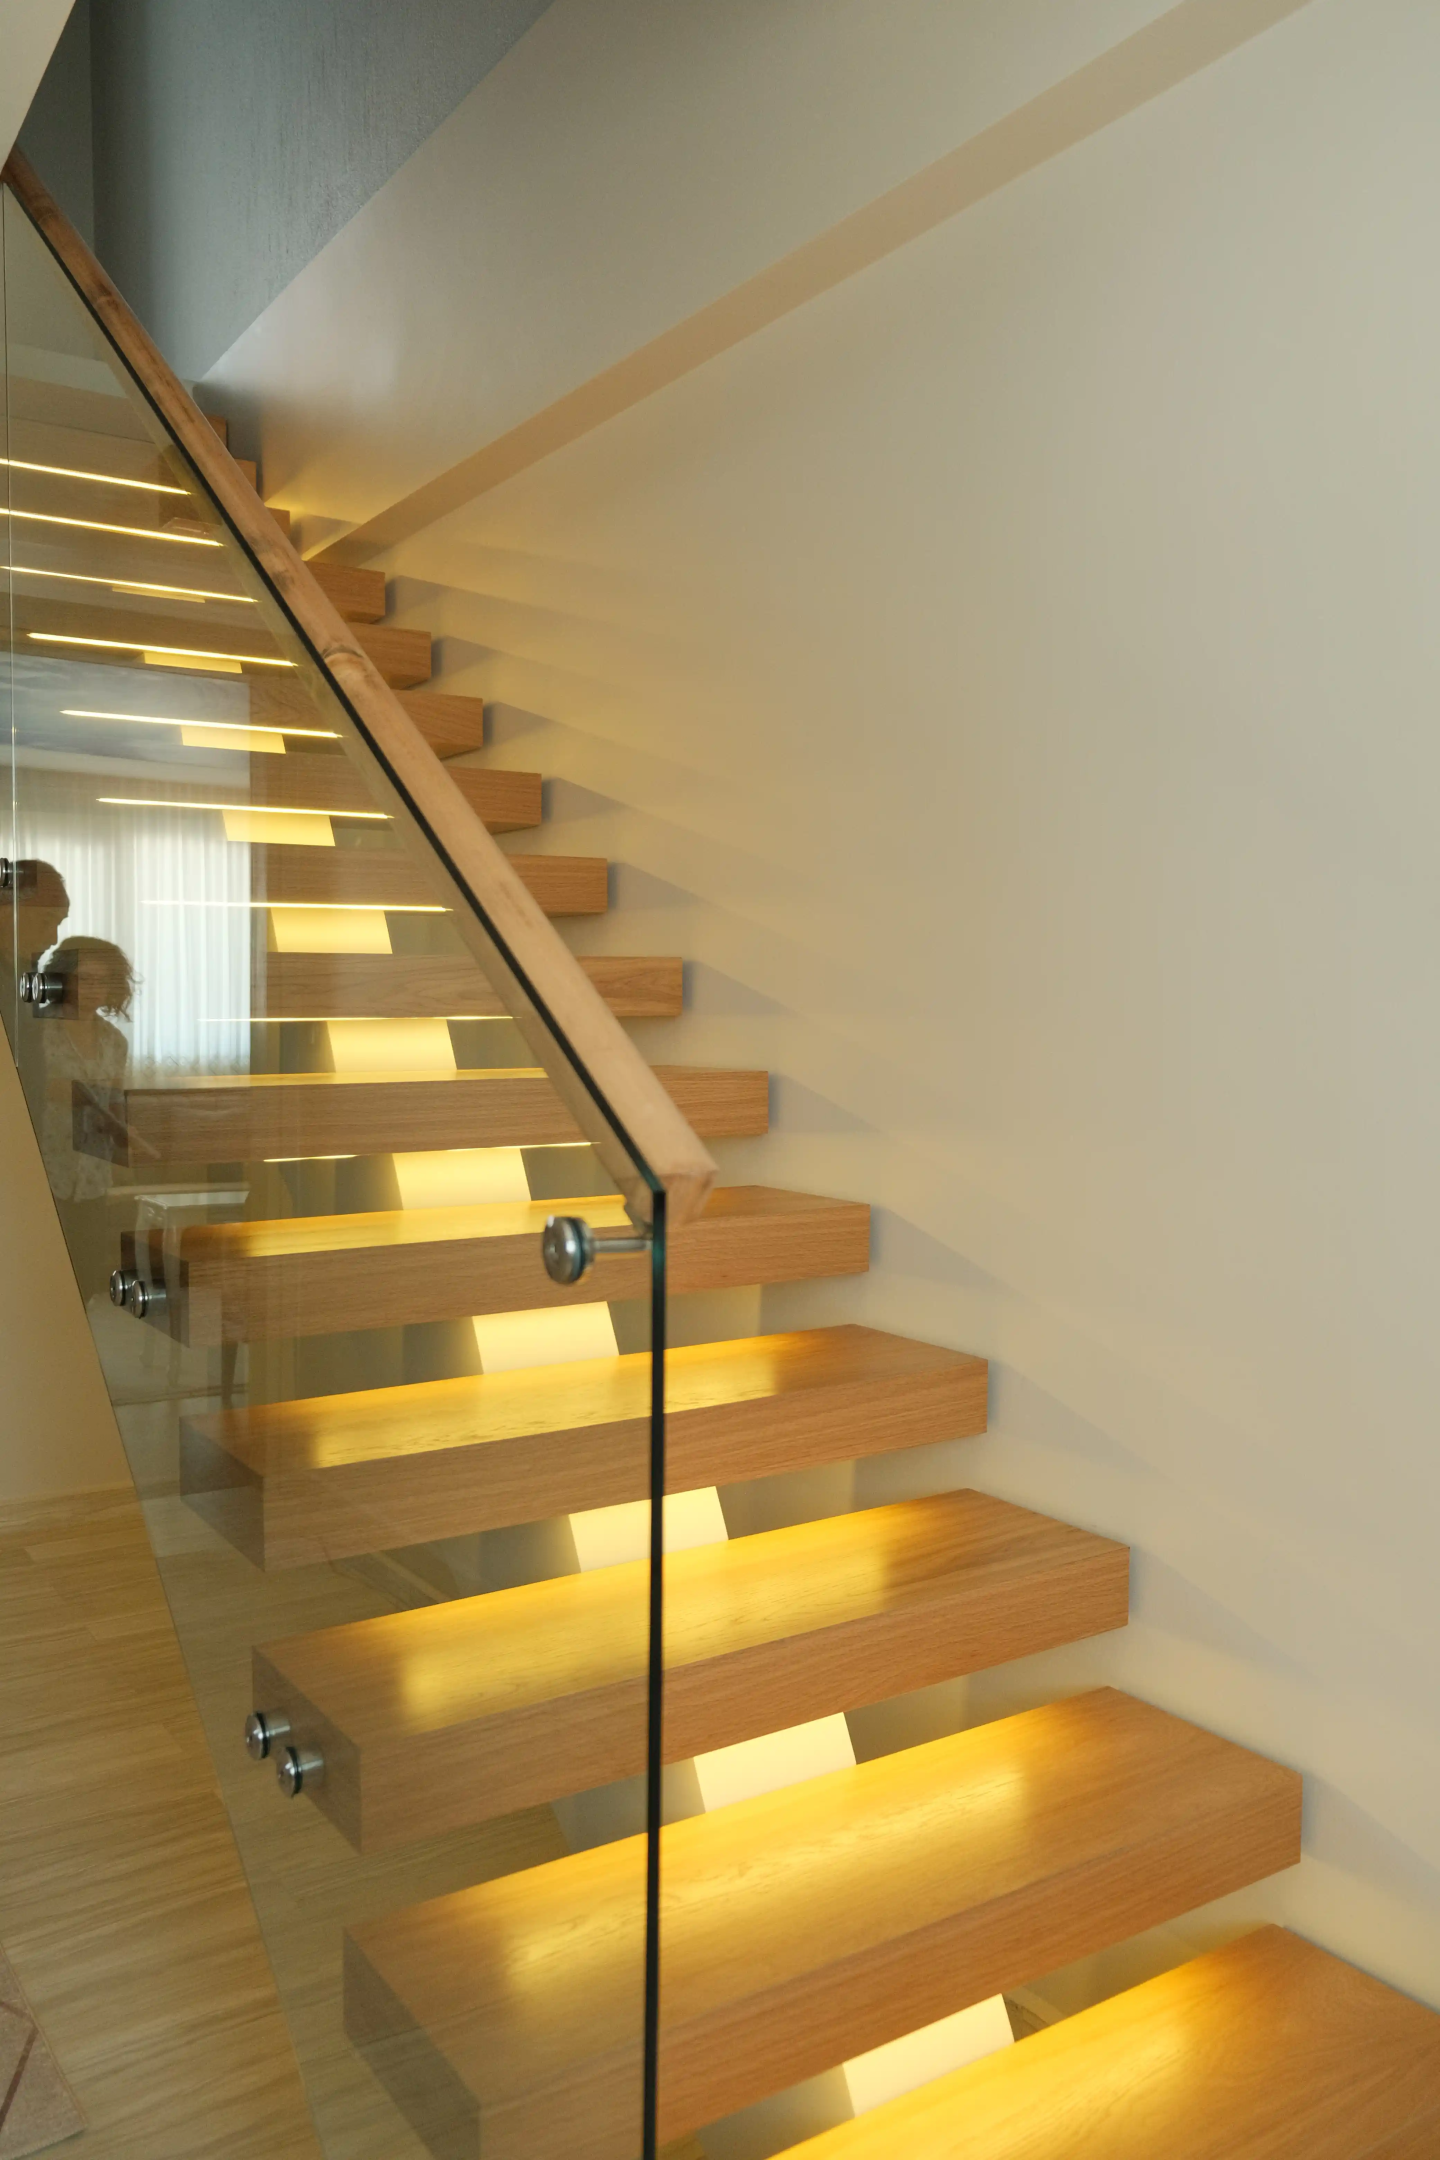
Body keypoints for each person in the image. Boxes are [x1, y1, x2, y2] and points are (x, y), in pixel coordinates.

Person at [37, 937, 137, 1305]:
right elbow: (37, 1090)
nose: (94, 988)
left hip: (93, 1172)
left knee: (87, 1274)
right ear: (63, 977)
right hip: (43, 1168)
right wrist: (84, 1094)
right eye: (85, 978)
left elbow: (113, 1103)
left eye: (103, 980)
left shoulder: (114, 1040)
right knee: (43, 1274)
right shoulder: (34, 1030)